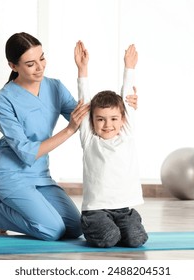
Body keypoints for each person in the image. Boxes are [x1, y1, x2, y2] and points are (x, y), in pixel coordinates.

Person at [0, 32, 138, 240]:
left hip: (40, 174)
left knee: (76, 228)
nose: (40, 67)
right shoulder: (3, 100)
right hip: (10, 174)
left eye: (42, 58)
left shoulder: (55, 87)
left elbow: (88, 119)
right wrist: (69, 130)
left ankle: (10, 207)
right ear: (13, 66)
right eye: (31, 64)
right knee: (52, 230)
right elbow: (26, 153)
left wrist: (122, 109)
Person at [74, 41, 148, 248]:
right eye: (100, 119)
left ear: (122, 120)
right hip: (95, 210)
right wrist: (82, 70)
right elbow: (85, 101)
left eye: (114, 119)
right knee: (109, 238)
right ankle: (98, 227)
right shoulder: (89, 140)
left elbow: (126, 101)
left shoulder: (127, 133)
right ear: (92, 121)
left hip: (123, 209)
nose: (108, 125)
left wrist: (129, 68)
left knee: (136, 240)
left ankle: (122, 226)